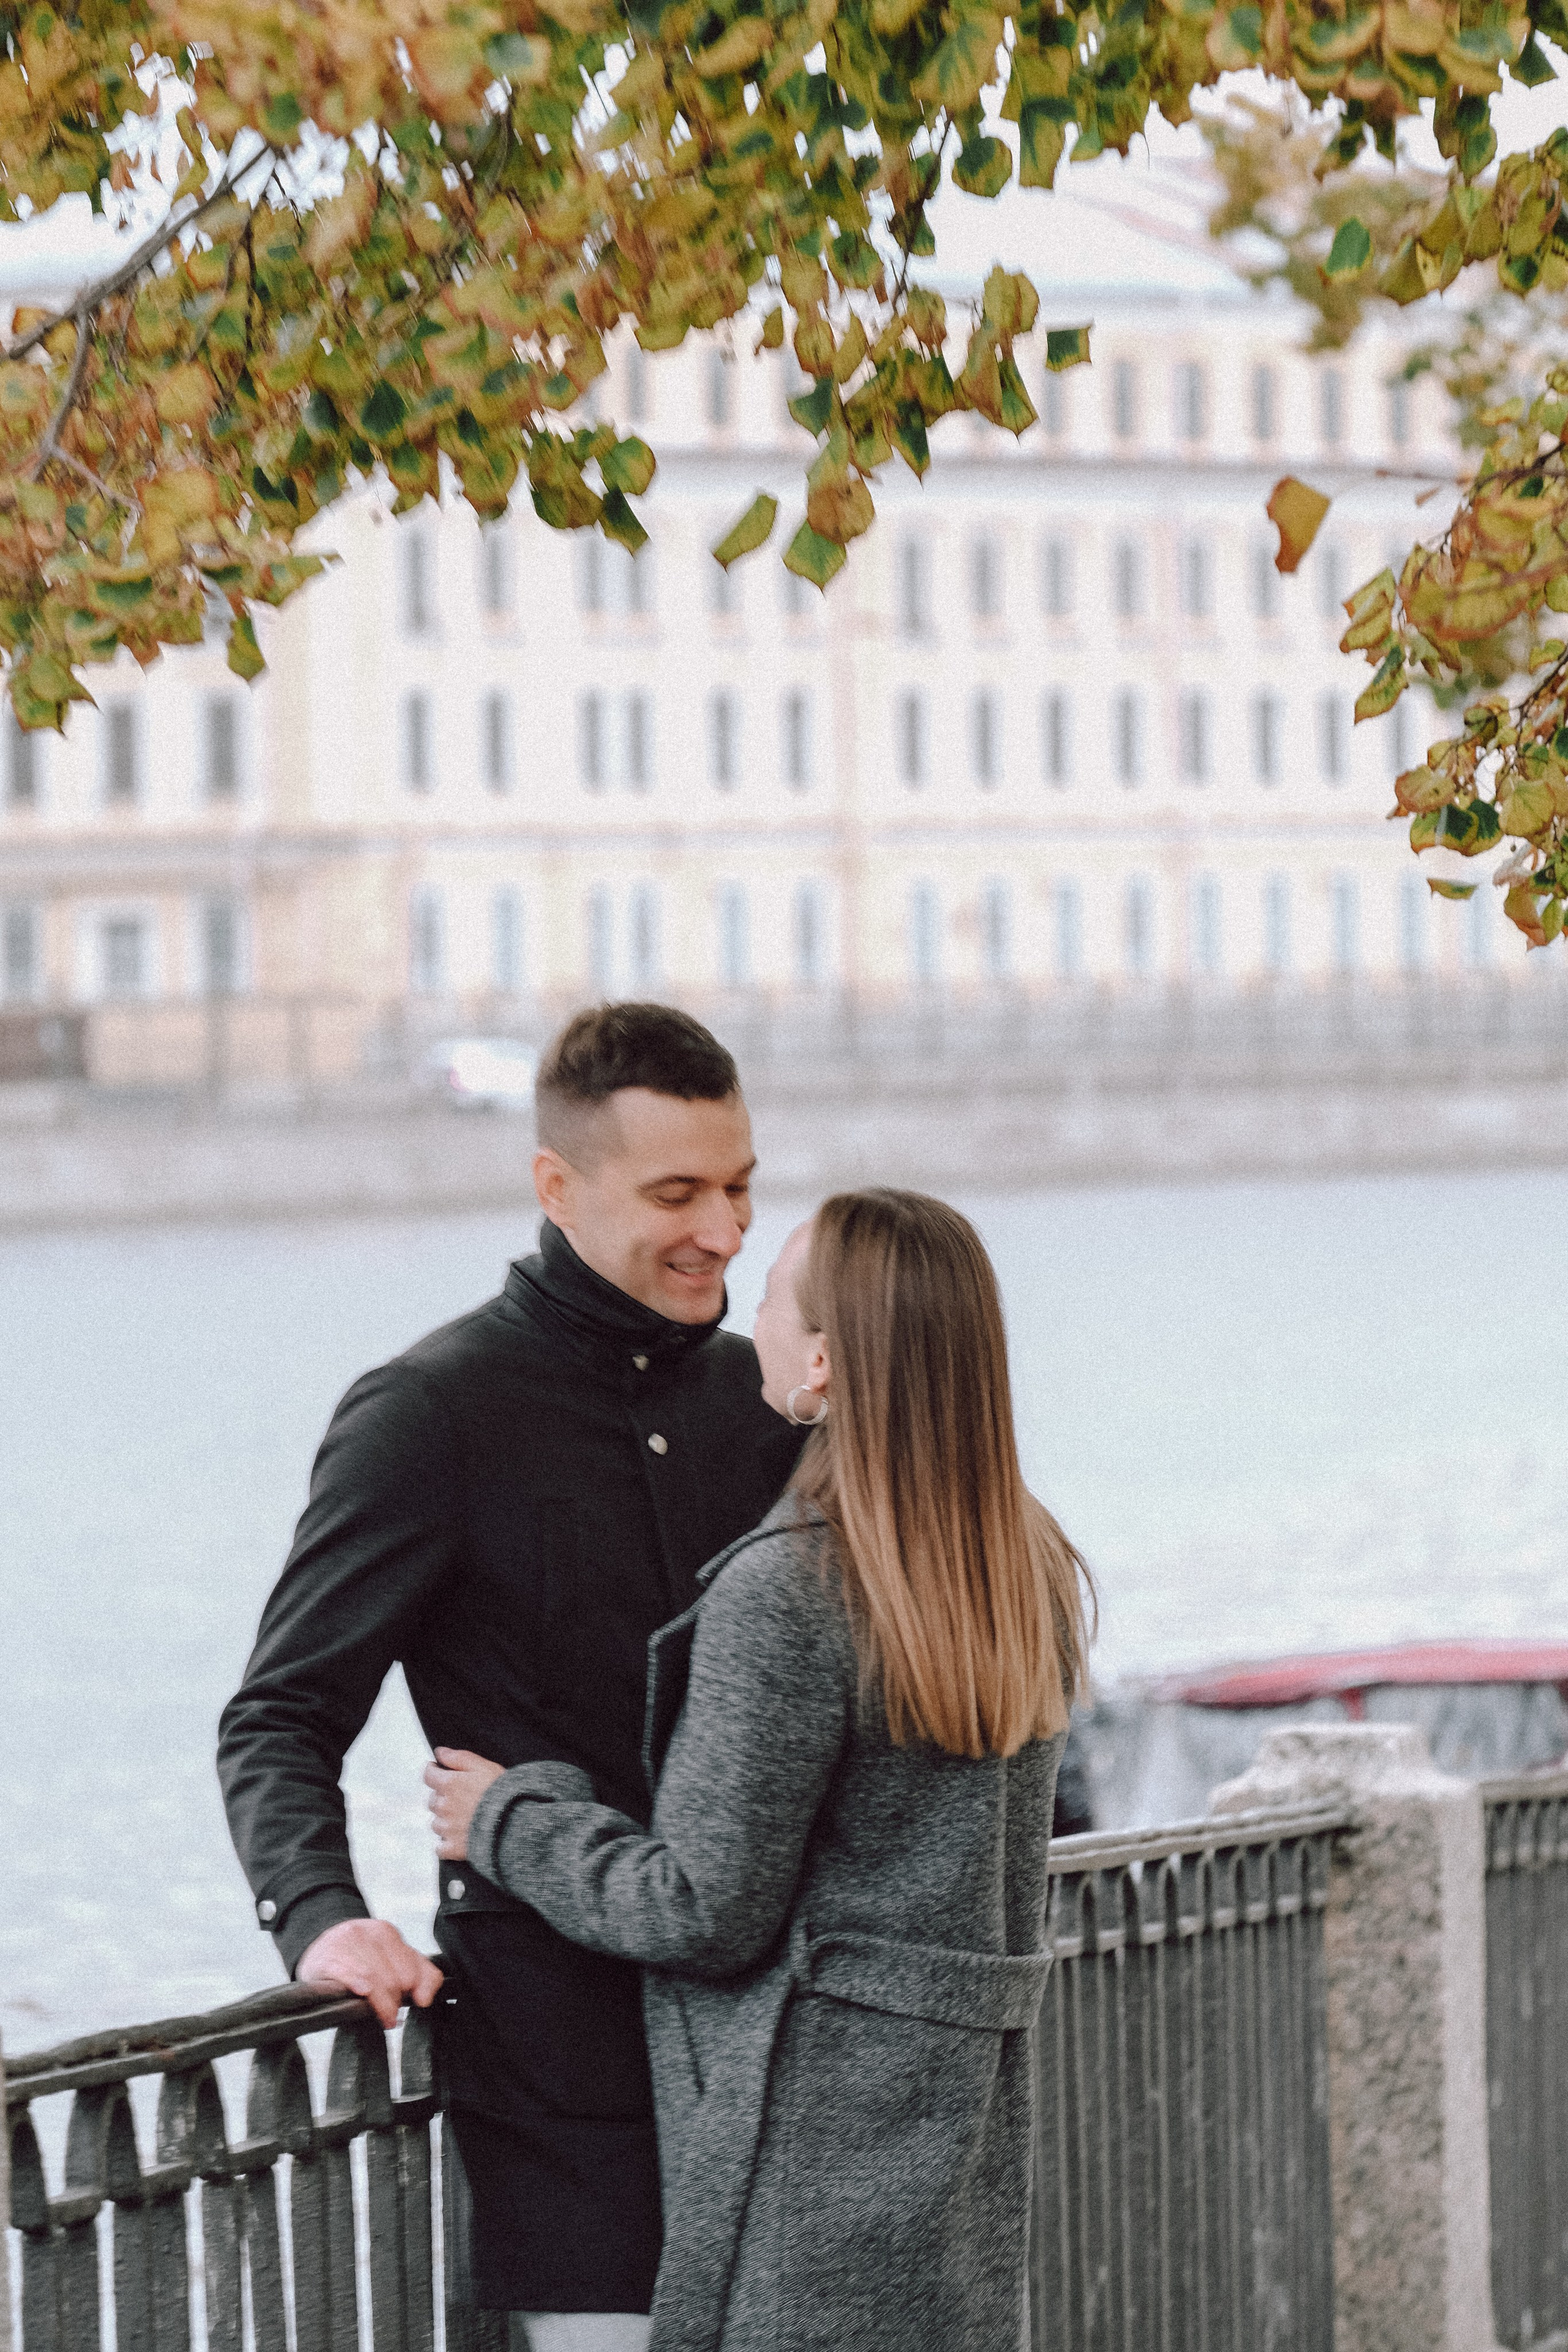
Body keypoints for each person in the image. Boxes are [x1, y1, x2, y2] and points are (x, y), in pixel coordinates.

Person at [218, 1004, 805, 2352]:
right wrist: (320, 1915)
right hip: (566, 2085)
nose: (723, 1231)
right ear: (557, 1185)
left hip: (787, 2065)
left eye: (739, 1188)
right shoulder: (429, 1412)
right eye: (676, 1194)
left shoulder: (769, 1401)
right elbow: (282, 1715)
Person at [427, 1189, 1095, 2352]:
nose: (753, 1317)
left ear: (823, 1362)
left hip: (804, 2166)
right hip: (956, 2146)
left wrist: (510, 1818)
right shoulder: (1021, 1563)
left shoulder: (790, 1590)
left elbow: (703, 1908)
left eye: (777, 1297)